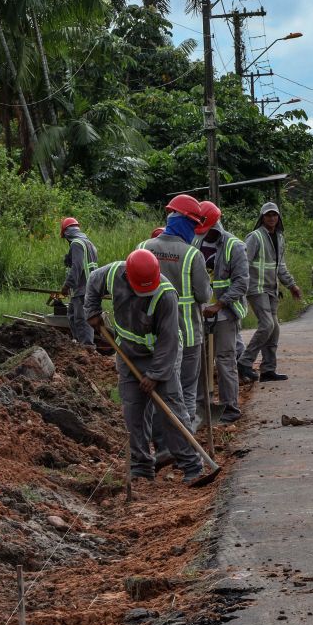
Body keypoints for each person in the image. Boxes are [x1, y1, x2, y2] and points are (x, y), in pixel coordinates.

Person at [85, 249, 213, 487]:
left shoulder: (166, 294)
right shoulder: (113, 273)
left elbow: (168, 341)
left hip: (162, 356)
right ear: (129, 277)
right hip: (128, 353)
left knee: (171, 409)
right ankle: (142, 467)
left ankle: (192, 465)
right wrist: (91, 311)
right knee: (133, 411)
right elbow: (92, 281)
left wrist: (155, 374)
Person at [139, 194, 211, 430]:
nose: (194, 231)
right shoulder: (192, 254)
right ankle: (186, 440)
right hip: (187, 334)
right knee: (187, 390)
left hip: (152, 337)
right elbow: (204, 295)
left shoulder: (144, 248)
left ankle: (161, 440)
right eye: (193, 225)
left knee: (158, 391)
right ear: (185, 223)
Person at [194, 201, 249, 424]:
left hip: (225, 314)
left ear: (215, 225)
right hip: (201, 313)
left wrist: (219, 304)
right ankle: (202, 408)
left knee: (225, 360)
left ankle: (230, 408)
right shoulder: (196, 242)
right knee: (201, 361)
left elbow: (241, 282)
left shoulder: (235, 246)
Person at [239, 201, 301, 382]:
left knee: (274, 329)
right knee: (267, 325)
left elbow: (280, 266)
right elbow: (243, 263)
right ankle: (244, 362)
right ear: (262, 217)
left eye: (274, 215)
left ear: (278, 217)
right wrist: (240, 287)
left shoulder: (279, 237)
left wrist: (292, 285)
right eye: (268, 215)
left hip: (272, 288)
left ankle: (268, 370)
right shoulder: (255, 237)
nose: (272, 218)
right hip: (256, 288)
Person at [60, 216, 98, 346]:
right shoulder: (88, 243)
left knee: (82, 319)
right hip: (88, 286)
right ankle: (78, 345)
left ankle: (87, 347)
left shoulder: (76, 244)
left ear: (66, 233)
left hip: (83, 288)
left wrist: (67, 286)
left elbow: (77, 267)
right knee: (71, 314)